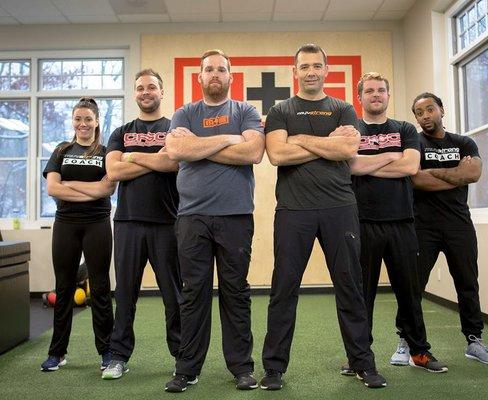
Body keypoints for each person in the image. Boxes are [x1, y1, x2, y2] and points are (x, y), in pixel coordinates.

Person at [261, 44, 386, 390]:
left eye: (317, 65)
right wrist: (321, 143)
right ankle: (273, 370)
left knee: (350, 288)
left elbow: (347, 149)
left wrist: (299, 140)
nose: (311, 71)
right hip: (293, 210)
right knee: (283, 290)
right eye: (305, 66)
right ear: (295, 71)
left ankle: (364, 364)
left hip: (339, 208)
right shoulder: (280, 109)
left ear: (326, 69)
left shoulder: (343, 108)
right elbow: (277, 154)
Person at [164, 49, 265, 392]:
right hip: (192, 216)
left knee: (236, 291)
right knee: (193, 293)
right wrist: (228, 139)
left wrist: (200, 145)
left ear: (230, 76)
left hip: (235, 215)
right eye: (209, 69)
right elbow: (177, 151)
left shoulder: (245, 110)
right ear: (200, 77)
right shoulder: (184, 112)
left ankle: (242, 368)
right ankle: (186, 368)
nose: (215, 74)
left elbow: (253, 152)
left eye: (221, 69)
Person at [340, 72, 447, 374]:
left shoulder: (404, 128)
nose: (376, 95)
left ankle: (419, 352)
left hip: (401, 222)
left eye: (381, 90)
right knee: (362, 295)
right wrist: (390, 157)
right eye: (370, 90)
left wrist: (368, 164)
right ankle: (359, 356)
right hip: (361, 222)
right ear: (359, 97)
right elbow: (351, 166)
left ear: (388, 96)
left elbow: (411, 166)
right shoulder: (350, 130)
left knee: (409, 291)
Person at [390, 92, 488, 365]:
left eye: (430, 109)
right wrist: (456, 174)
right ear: (415, 117)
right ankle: (406, 341)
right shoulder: (414, 141)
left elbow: (473, 174)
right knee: (412, 287)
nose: (426, 115)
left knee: (467, 283)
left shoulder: (464, 142)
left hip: (459, 225)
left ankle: (474, 341)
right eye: (419, 112)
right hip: (422, 226)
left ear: (442, 110)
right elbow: (416, 179)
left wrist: (438, 173)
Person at [102, 69, 181, 380]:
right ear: (134, 94)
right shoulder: (121, 131)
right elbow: (114, 172)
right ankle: (118, 356)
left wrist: (132, 158)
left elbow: (174, 162)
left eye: (151, 87)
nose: (146, 92)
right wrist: (153, 160)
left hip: (168, 223)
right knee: (125, 295)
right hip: (128, 223)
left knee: (174, 296)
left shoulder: (176, 127)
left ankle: (182, 357)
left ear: (162, 92)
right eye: (140, 88)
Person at [41, 97, 115, 372]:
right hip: (66, 225)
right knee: (63, 288)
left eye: (88, 119)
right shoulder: (61, 150)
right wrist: (90, 187)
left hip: (97, 224)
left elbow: (106, 190)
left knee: (100, 288)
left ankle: (107, 351)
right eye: (78, 119)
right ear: (73, 122)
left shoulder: (107, 153)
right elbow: (53, 189)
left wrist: (69, 184)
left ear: (96, 122)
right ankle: (57, 352)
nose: (82, 124)